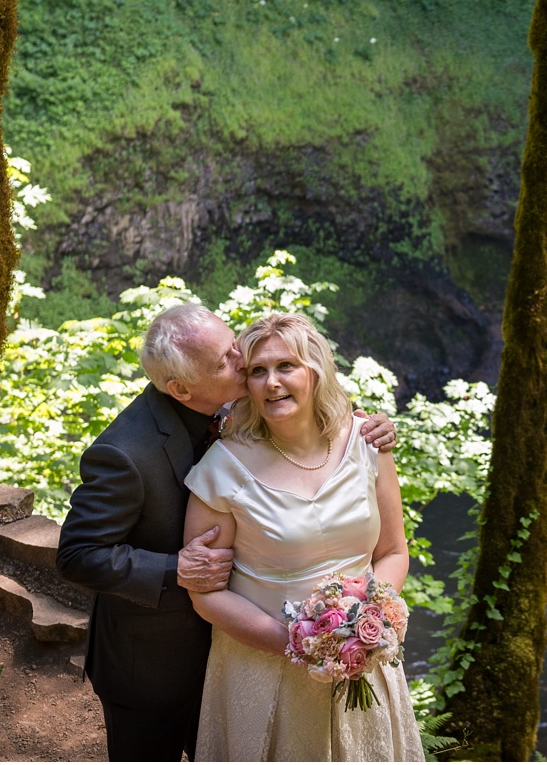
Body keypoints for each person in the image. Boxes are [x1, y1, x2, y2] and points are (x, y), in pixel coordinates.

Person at [57, 303, 397, 761]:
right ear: (181, 389)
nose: (243, 363)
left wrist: (364, 426)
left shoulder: (235, 401)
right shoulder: (125, 453)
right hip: (155, 657)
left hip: (238, 650)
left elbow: (300, 386)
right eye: (227, 362)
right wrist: (179, 568)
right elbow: (77, 553)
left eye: (235, 347)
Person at [182, 312, 424, 760]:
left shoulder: (367, 442)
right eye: (257, 371)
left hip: (359, 663)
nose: (272, 383)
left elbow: (392, 551)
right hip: (262, 665)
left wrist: (360, 632)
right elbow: (205, 593)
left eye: (285, 366)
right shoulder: (223, 468)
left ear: (315, 369)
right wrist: (300, 645)